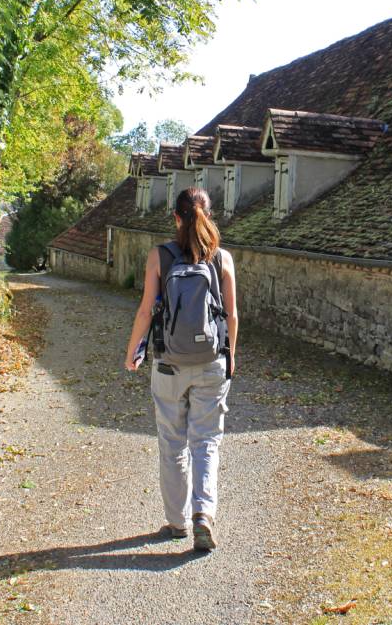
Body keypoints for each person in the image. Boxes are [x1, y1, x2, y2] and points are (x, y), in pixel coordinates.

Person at [124, 186, 238, 552]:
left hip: (169, 363)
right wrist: (230, 355)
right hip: (211, 362)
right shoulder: (223, 259)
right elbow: (232, 316)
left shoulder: (160, 256)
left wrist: (132, 352)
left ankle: (177, 522)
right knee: (206, 442)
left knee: (172, 442)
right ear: (209, 216)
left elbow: (146, 311)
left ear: (175, 218)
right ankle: (203, 515)